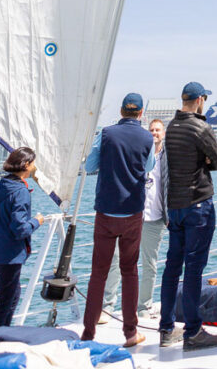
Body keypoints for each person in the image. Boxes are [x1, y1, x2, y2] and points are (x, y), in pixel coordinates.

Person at [81, 92, 154, 347]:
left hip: (106, 212)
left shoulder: (107, 133)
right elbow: (148, 167)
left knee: (98, 273)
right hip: (132, 212)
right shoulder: (147, 137)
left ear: (122, 111)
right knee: (130, 271)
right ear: (141, 113)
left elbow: (89, 166)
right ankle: (131, 333)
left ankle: (88, 334)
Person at [159, 81, 217, 351]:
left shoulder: (172, 127)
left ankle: (166, 329)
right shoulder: (201, 127)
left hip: (174, 207)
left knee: (172, 267)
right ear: (199, 100)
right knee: (194, 269)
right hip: (198, 204)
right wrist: (207, 160)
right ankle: (193, 332)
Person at [100, 117, 168, 321]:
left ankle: (143, 307)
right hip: (132, 214)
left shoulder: (168, 157)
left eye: (158, 130)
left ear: (163, 133)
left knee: (150, 264)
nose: (154, 133)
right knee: (116, 260)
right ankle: (108, 305)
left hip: (155, 218)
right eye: (152, 130)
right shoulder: (139, 152)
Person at [0, 147, 45, 328]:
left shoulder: (3, 184)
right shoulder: (20, 191)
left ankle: (1, 335)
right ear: (26, 165)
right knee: (6, 301)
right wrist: (37, 221)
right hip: (9, 255)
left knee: (11, 296)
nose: (34, 167)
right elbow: (19, 229)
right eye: (33, 163)